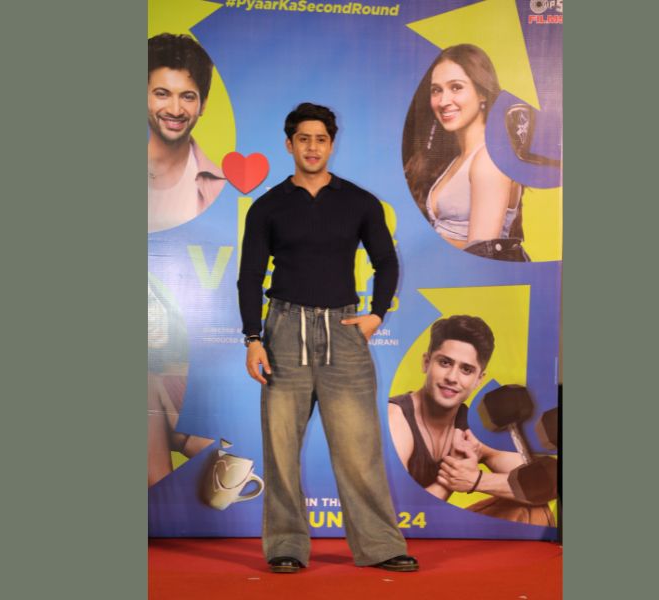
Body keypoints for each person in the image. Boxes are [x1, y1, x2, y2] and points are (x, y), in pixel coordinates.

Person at [237, 103, 418, 573]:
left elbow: (386, 262)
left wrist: (377, 314)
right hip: (283, 332)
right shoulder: (268, 206)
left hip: (344, 332)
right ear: (289, 144)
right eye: (304, 138)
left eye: (321, 139)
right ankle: (285, 546)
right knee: (281, 449)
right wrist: (253, 338)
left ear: (332, 145)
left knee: (359, 448)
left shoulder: (359, 202)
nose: (312, 147)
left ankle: (380, 546)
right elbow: (249, 276)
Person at [388, 315, 554, 525]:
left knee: (533, 508)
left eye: (466, 369)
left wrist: (476, 480)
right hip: (395, 534)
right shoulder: (395, 418)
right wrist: (451, 477)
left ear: (479, 380)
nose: (452, 377)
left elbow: (546, 485)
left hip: (439, 528)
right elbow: (395, 515)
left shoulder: (472, 428)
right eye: (445, 362)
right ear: (426, 362)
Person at [403, 44, 528, 261]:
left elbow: (482, 253)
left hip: (468, 277)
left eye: (456, 87)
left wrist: (419, 243)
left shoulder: (489, 158)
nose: (443, 101)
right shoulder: (459, 159)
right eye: (436, 90)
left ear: (481, 93)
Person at [148, 33, 225, 233]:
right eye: (162, 94)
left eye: (188, 97)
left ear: (203, 104)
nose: (175, 110)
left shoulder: (219, 187)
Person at [147, 276, 214, 487]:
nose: (150, 318)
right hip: (241, 486)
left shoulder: (211, 353)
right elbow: (159, 484)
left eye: (149, 301)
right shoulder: (150, 385)